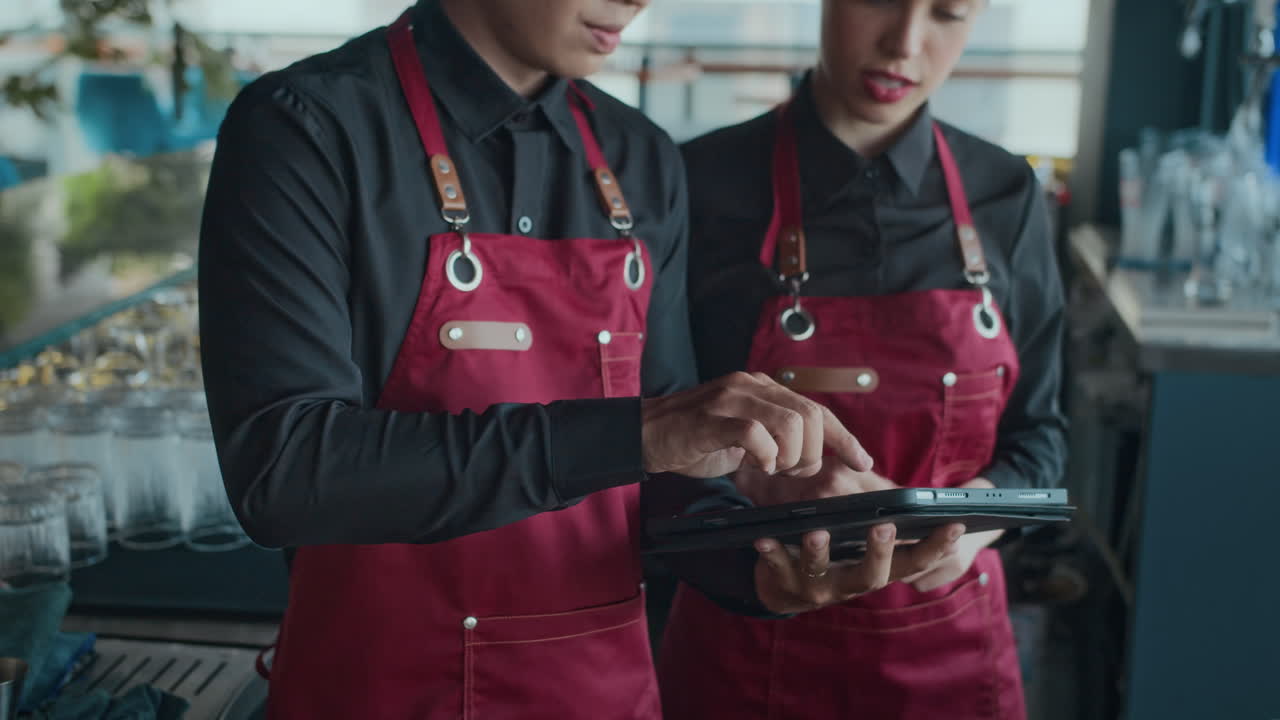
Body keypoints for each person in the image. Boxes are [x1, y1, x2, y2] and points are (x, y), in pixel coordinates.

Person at [197, 1, 965, 717]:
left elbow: (666, 480)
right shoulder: (307, 127)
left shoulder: (641, 159)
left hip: (603, 693)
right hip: (379, 689)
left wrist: (763, 560)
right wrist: (640, 432)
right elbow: (286, 471)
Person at [656, 0, 1069, 718]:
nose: (905, 43)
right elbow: (653, 457)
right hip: (746, 652)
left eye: (948, 13)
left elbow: (1041, 439)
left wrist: (972, 525)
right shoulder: (698, 182)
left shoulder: (1007, 195)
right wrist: (759, 501)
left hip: (952, 654)